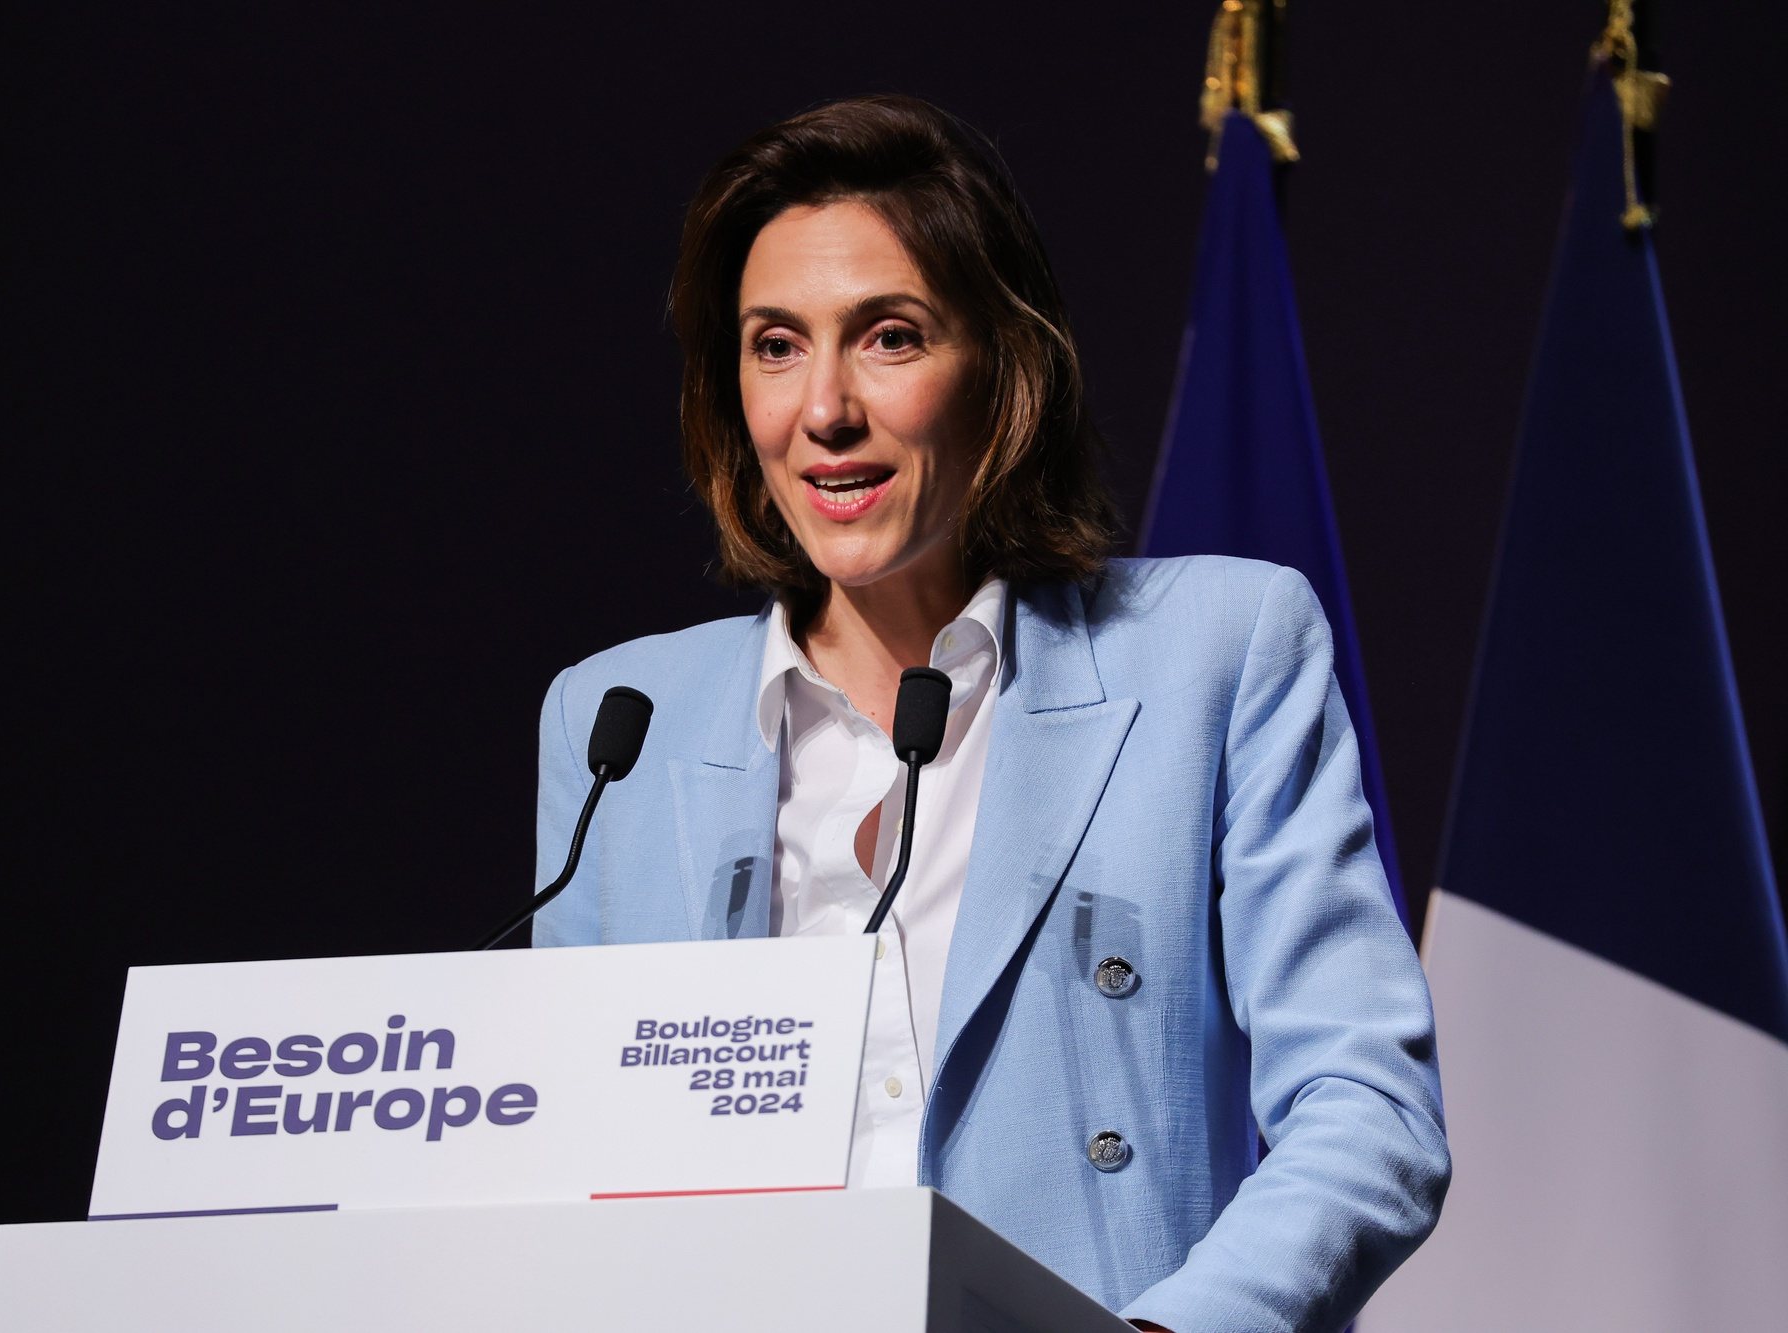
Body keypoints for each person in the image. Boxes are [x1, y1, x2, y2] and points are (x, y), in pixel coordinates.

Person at [531, 94, 1447, 1333]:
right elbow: (561, 1174)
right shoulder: (616, 720)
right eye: (774, 345)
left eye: (890, 337)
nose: (824, 411)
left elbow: (1365, 1111)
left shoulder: (1214, 654)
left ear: (1003, 368)